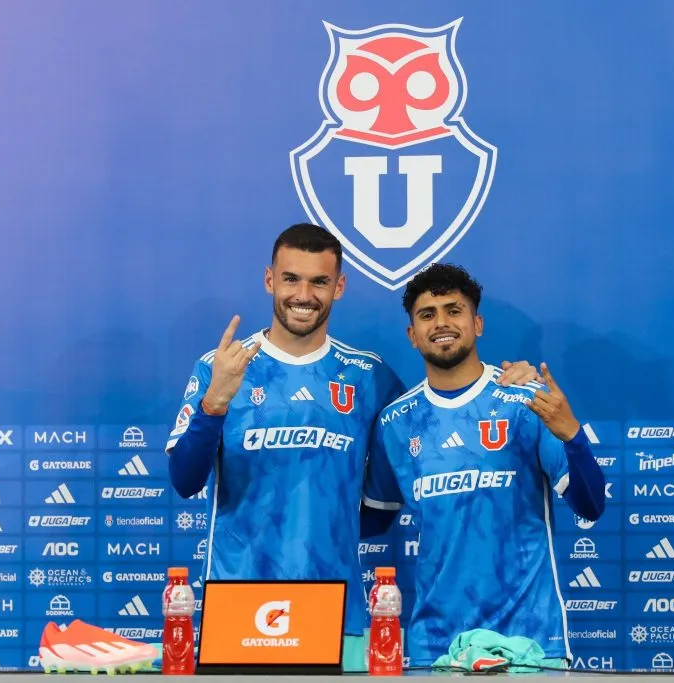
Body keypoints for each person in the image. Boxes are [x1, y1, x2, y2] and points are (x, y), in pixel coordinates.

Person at [165, 224, 541, 670]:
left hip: (338, 612)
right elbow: (185, 481)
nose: (303, 295)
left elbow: (434, 418)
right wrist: (214, 406)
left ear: (338, 286)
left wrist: (508, 381)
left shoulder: (368, 376)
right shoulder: (221, 367)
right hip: (239, 604)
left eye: (319, 281)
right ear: (269, 280)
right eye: (291, 279)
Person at [362, 263, 606, 669]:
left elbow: (591, 505)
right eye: (427, 314)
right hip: (437, 648)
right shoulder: (395, 423)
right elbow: (371, 518)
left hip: (529, 644)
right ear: (412, 335)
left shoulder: (525, 401)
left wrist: (573, 437)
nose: (441, 323)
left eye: (454, 310)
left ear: (477, 324)